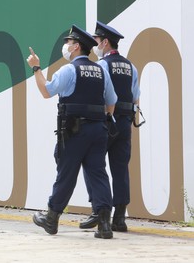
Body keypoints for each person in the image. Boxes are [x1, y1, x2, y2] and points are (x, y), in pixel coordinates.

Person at [27, 24, 117, 239]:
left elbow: (46, 91)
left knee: (66, 174)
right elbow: (111, 102)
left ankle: (52, 218)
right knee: (98, 173)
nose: (66, 46)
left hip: (75, 131)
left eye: (68, 43)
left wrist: (36, 68)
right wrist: (101, 119)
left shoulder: (69, 70)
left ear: (76, 47)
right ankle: (104, 224)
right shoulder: (101, 70)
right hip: (98, 129)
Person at [79, 21, 141, 232]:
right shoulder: (131, 66)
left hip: (107, 121)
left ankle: (99, 211)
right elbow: (135, 99)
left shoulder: (102, 66)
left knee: (93, 164)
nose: (95, 45)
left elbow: (103, 95)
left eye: (96, 41)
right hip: (125, 123)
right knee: (120, 168)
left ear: (105, 42)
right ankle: (120, 218)